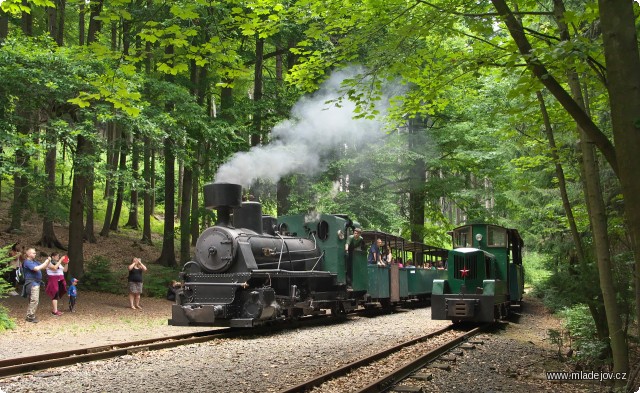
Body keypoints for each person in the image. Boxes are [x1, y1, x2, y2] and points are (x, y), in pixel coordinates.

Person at [22, 248, 51, 323]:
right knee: (34, 300)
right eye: (33, 253)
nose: (35, 254)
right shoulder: (27, 262)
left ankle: (30, 315)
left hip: (36, 283)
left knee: (33, 299)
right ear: (28, 254)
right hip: (31, 283)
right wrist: (46, 261)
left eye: (35, 253)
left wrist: (48, 262)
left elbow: (43, 267)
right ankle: (30, 317)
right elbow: (37, 268)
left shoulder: (34, 261)